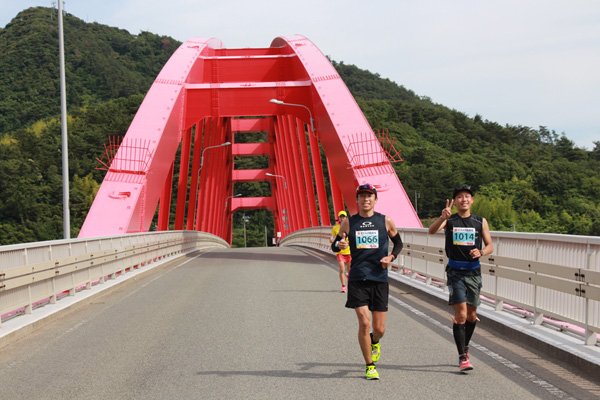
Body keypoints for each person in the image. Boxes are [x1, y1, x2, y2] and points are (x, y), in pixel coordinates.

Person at [331, 183, 403, 380]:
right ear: (357, 200)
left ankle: (374, 341)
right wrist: (340, 244)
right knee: (364, 322)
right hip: (358, 278)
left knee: (379, 329)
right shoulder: (349, 223)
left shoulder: (385, 221)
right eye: (362, 196)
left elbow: (398, 243)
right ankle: (369, 365)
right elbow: (334, 247)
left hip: (379, 278)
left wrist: (391, 258)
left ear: (375, 199)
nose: (365, 199)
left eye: (369, 196)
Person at [428, 185, 493, 372]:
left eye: (466, 196)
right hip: (455, 272)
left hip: (474, 272)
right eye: (459, 197)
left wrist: (480, 252)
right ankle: (463, 357)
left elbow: (490, 246)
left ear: (472, 200)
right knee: (461, 315)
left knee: (472, 315)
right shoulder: (450, 220)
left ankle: (465, 346)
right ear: (455, 201)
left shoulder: (480, 221)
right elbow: (431, 231)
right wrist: (442, 217)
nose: (463, 199)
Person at [330, 210, 352, 293]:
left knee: (350, 271)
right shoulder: (335, 228)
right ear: (338, 218)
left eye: (344, 217)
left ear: (346, 218)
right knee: (342, 269)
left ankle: (350, 284)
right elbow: (332, 237)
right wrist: (331, 239)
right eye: (341, 217)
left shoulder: (349, 227)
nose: (342, 218)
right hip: (340, 252)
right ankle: (343, 286)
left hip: (349, 251)